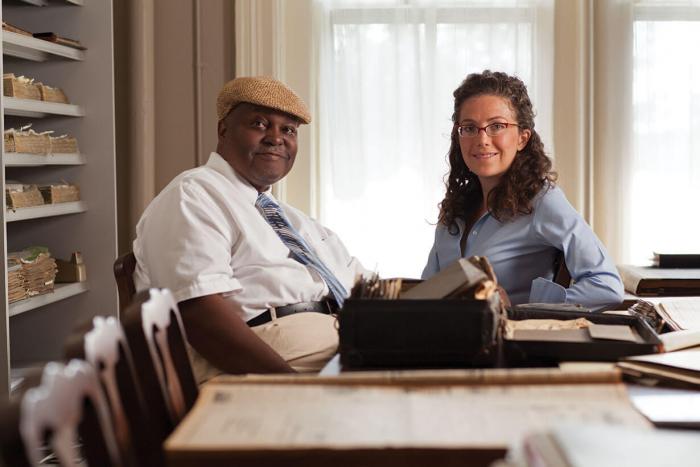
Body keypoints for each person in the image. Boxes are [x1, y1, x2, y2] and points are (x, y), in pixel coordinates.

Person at [133, 76, 368, 382]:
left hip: (337, 351)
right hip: (267, 369)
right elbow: (198, 316)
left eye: (288, 130)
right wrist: (293, 387)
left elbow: (363, 288)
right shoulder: (194, 195)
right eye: (259, 124)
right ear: (223, 130)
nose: (276, 137)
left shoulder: (296, 222)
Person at [422, 70, 623, 311]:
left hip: (509, 345)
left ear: (522, 138)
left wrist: (523, 307)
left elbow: (607, 286)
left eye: (496, 126)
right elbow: (427, 292)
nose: (482, 139)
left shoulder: (542, 202)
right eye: (470, 128)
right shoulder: (455, 207)